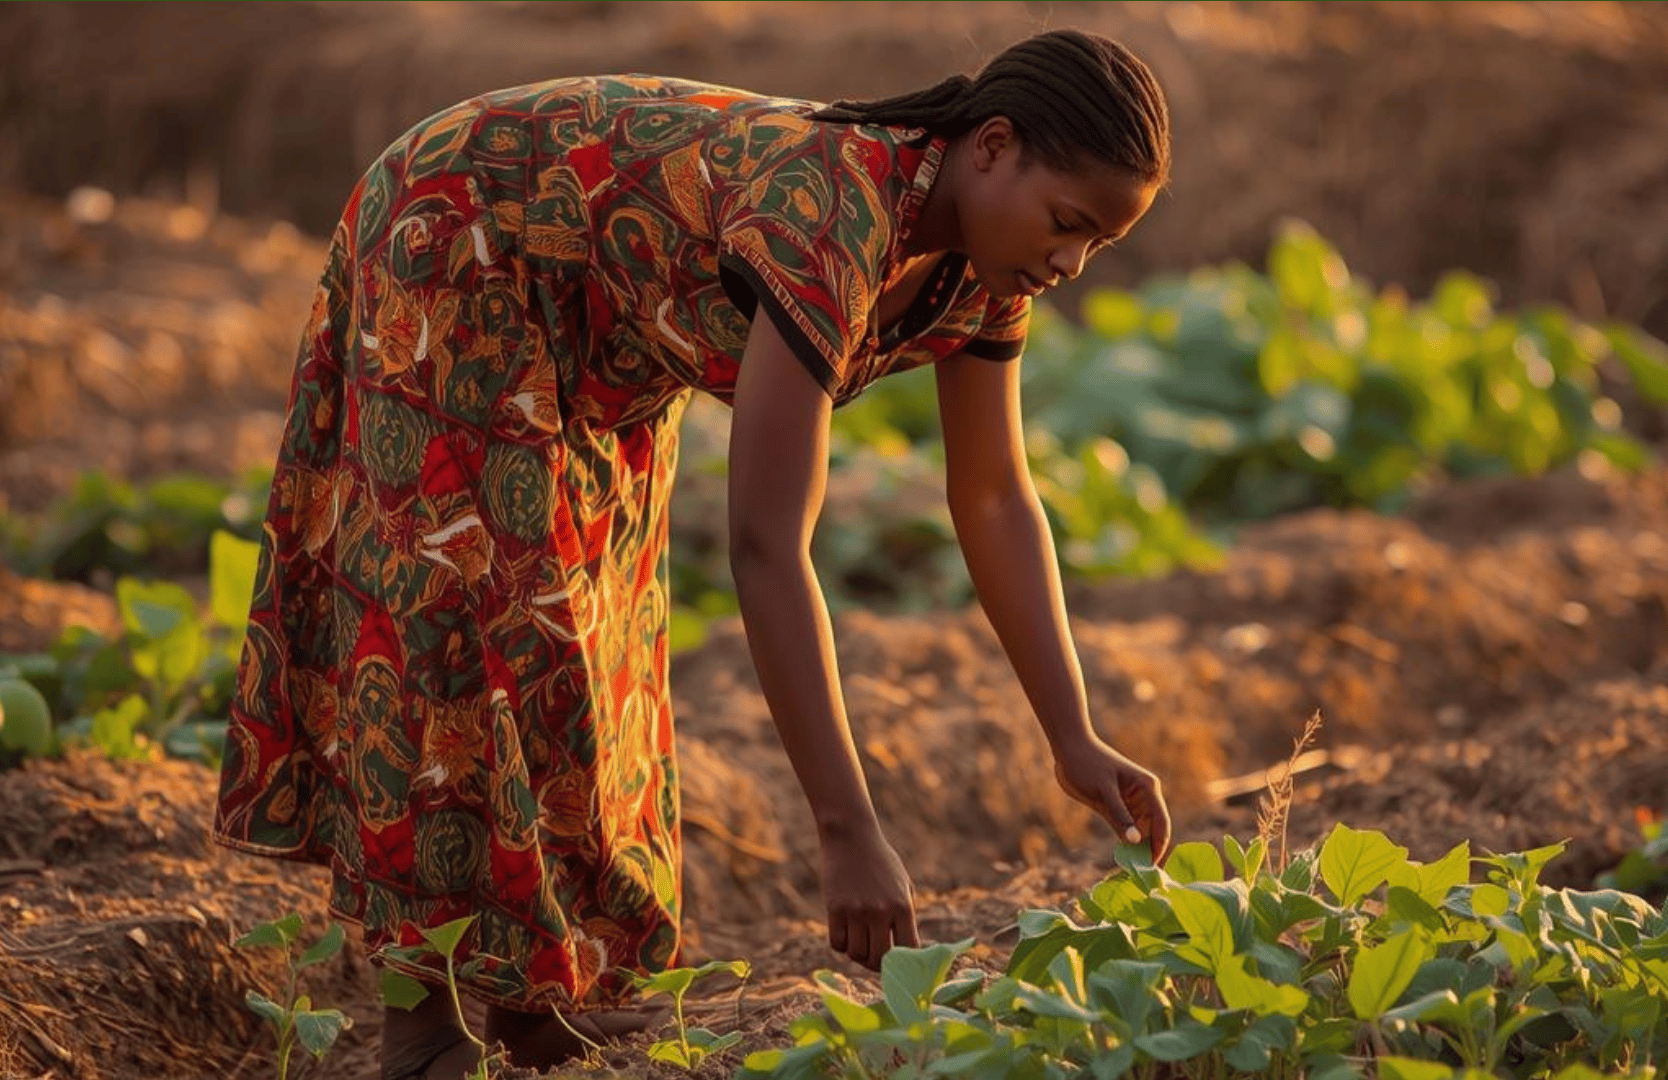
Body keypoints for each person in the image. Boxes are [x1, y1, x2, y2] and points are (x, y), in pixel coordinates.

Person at [212, 26, 1175, 1080]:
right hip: (460, 229)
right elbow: (768, 547)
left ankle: (542, 1004)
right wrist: (845, 827)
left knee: (600, 637)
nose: (1072, 262)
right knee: (462, 613)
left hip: (605, 322)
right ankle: (424, 1025)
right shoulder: (833, 211)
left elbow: (993, 498)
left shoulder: (988, 274)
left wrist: (1072, 735)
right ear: (991, 148)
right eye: (1068, 222)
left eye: (1099, 246)